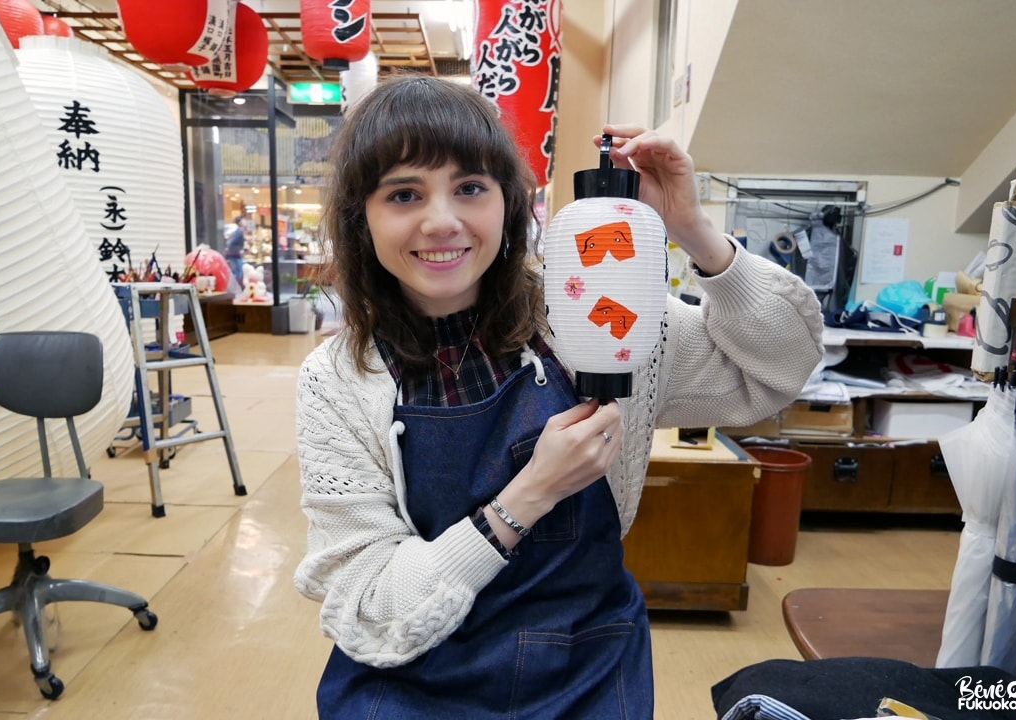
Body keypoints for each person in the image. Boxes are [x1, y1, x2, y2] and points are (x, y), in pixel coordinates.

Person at [294, 75, 824, 718]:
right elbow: (372, 608)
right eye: (404, 194)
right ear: (362, 218)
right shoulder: (338, 381)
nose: (442, 222)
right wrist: (527, 497)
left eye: (470, 189)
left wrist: (692, 229)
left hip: (586, 663)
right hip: (412, 675)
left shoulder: (595, 312)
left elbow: (778, 369)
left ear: (508, 204)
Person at [225, 215, 247, 284]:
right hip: (235, 255)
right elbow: (231, 242)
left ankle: (236, 286)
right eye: (243, 220)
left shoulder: (238, 231)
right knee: (239, 271)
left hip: (234, 254)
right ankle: (236, 286)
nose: (245, 222)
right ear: (240, 222)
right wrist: (239, 250)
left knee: (238, 271)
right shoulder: (239, 232)